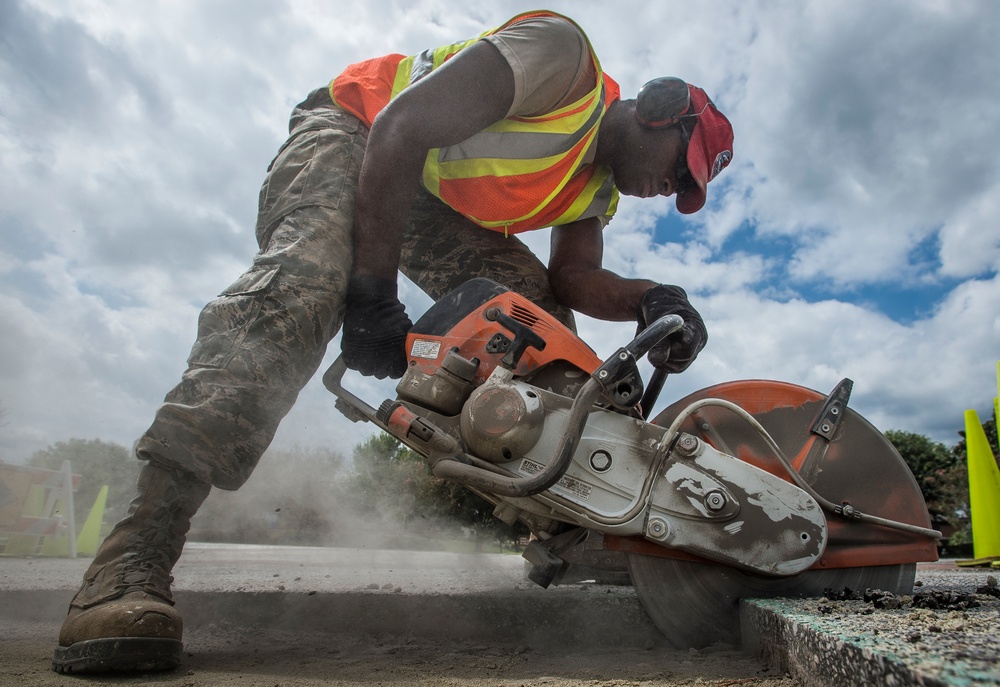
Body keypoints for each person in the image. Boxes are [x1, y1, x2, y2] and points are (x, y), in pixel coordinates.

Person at [52, 10, 733, 674]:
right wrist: (373, 294)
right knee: (304, 288)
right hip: (355, 131)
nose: (672, 191)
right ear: (661, 107)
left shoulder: (595, 191)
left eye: (686, 190)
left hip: (424, 194)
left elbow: (574, 277)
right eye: (682, 168)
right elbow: (402, 125)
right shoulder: (563, 58)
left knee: (532, 320)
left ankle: (581, 531)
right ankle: (132, 556)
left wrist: (650, 299)